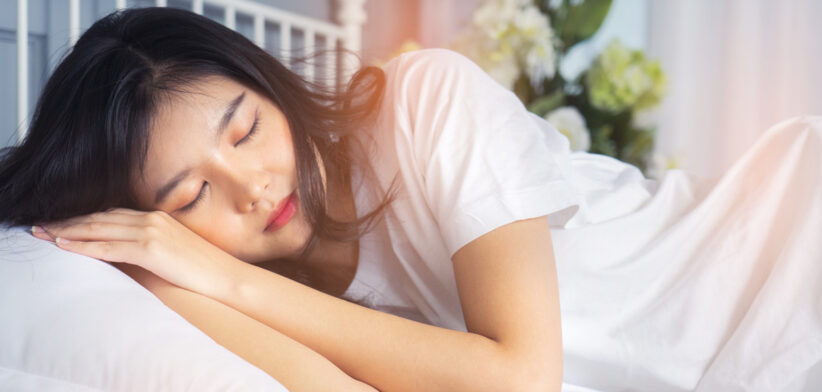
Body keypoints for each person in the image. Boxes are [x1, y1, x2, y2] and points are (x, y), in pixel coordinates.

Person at [2, 6, 820, 392]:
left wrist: (223, 276)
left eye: (246, 130)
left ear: (273, 92)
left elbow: (519, 379)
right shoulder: (203, 285)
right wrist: (180, 276)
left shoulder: (424, 101)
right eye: (191, 195)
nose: (253, 190)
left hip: (780, 254)